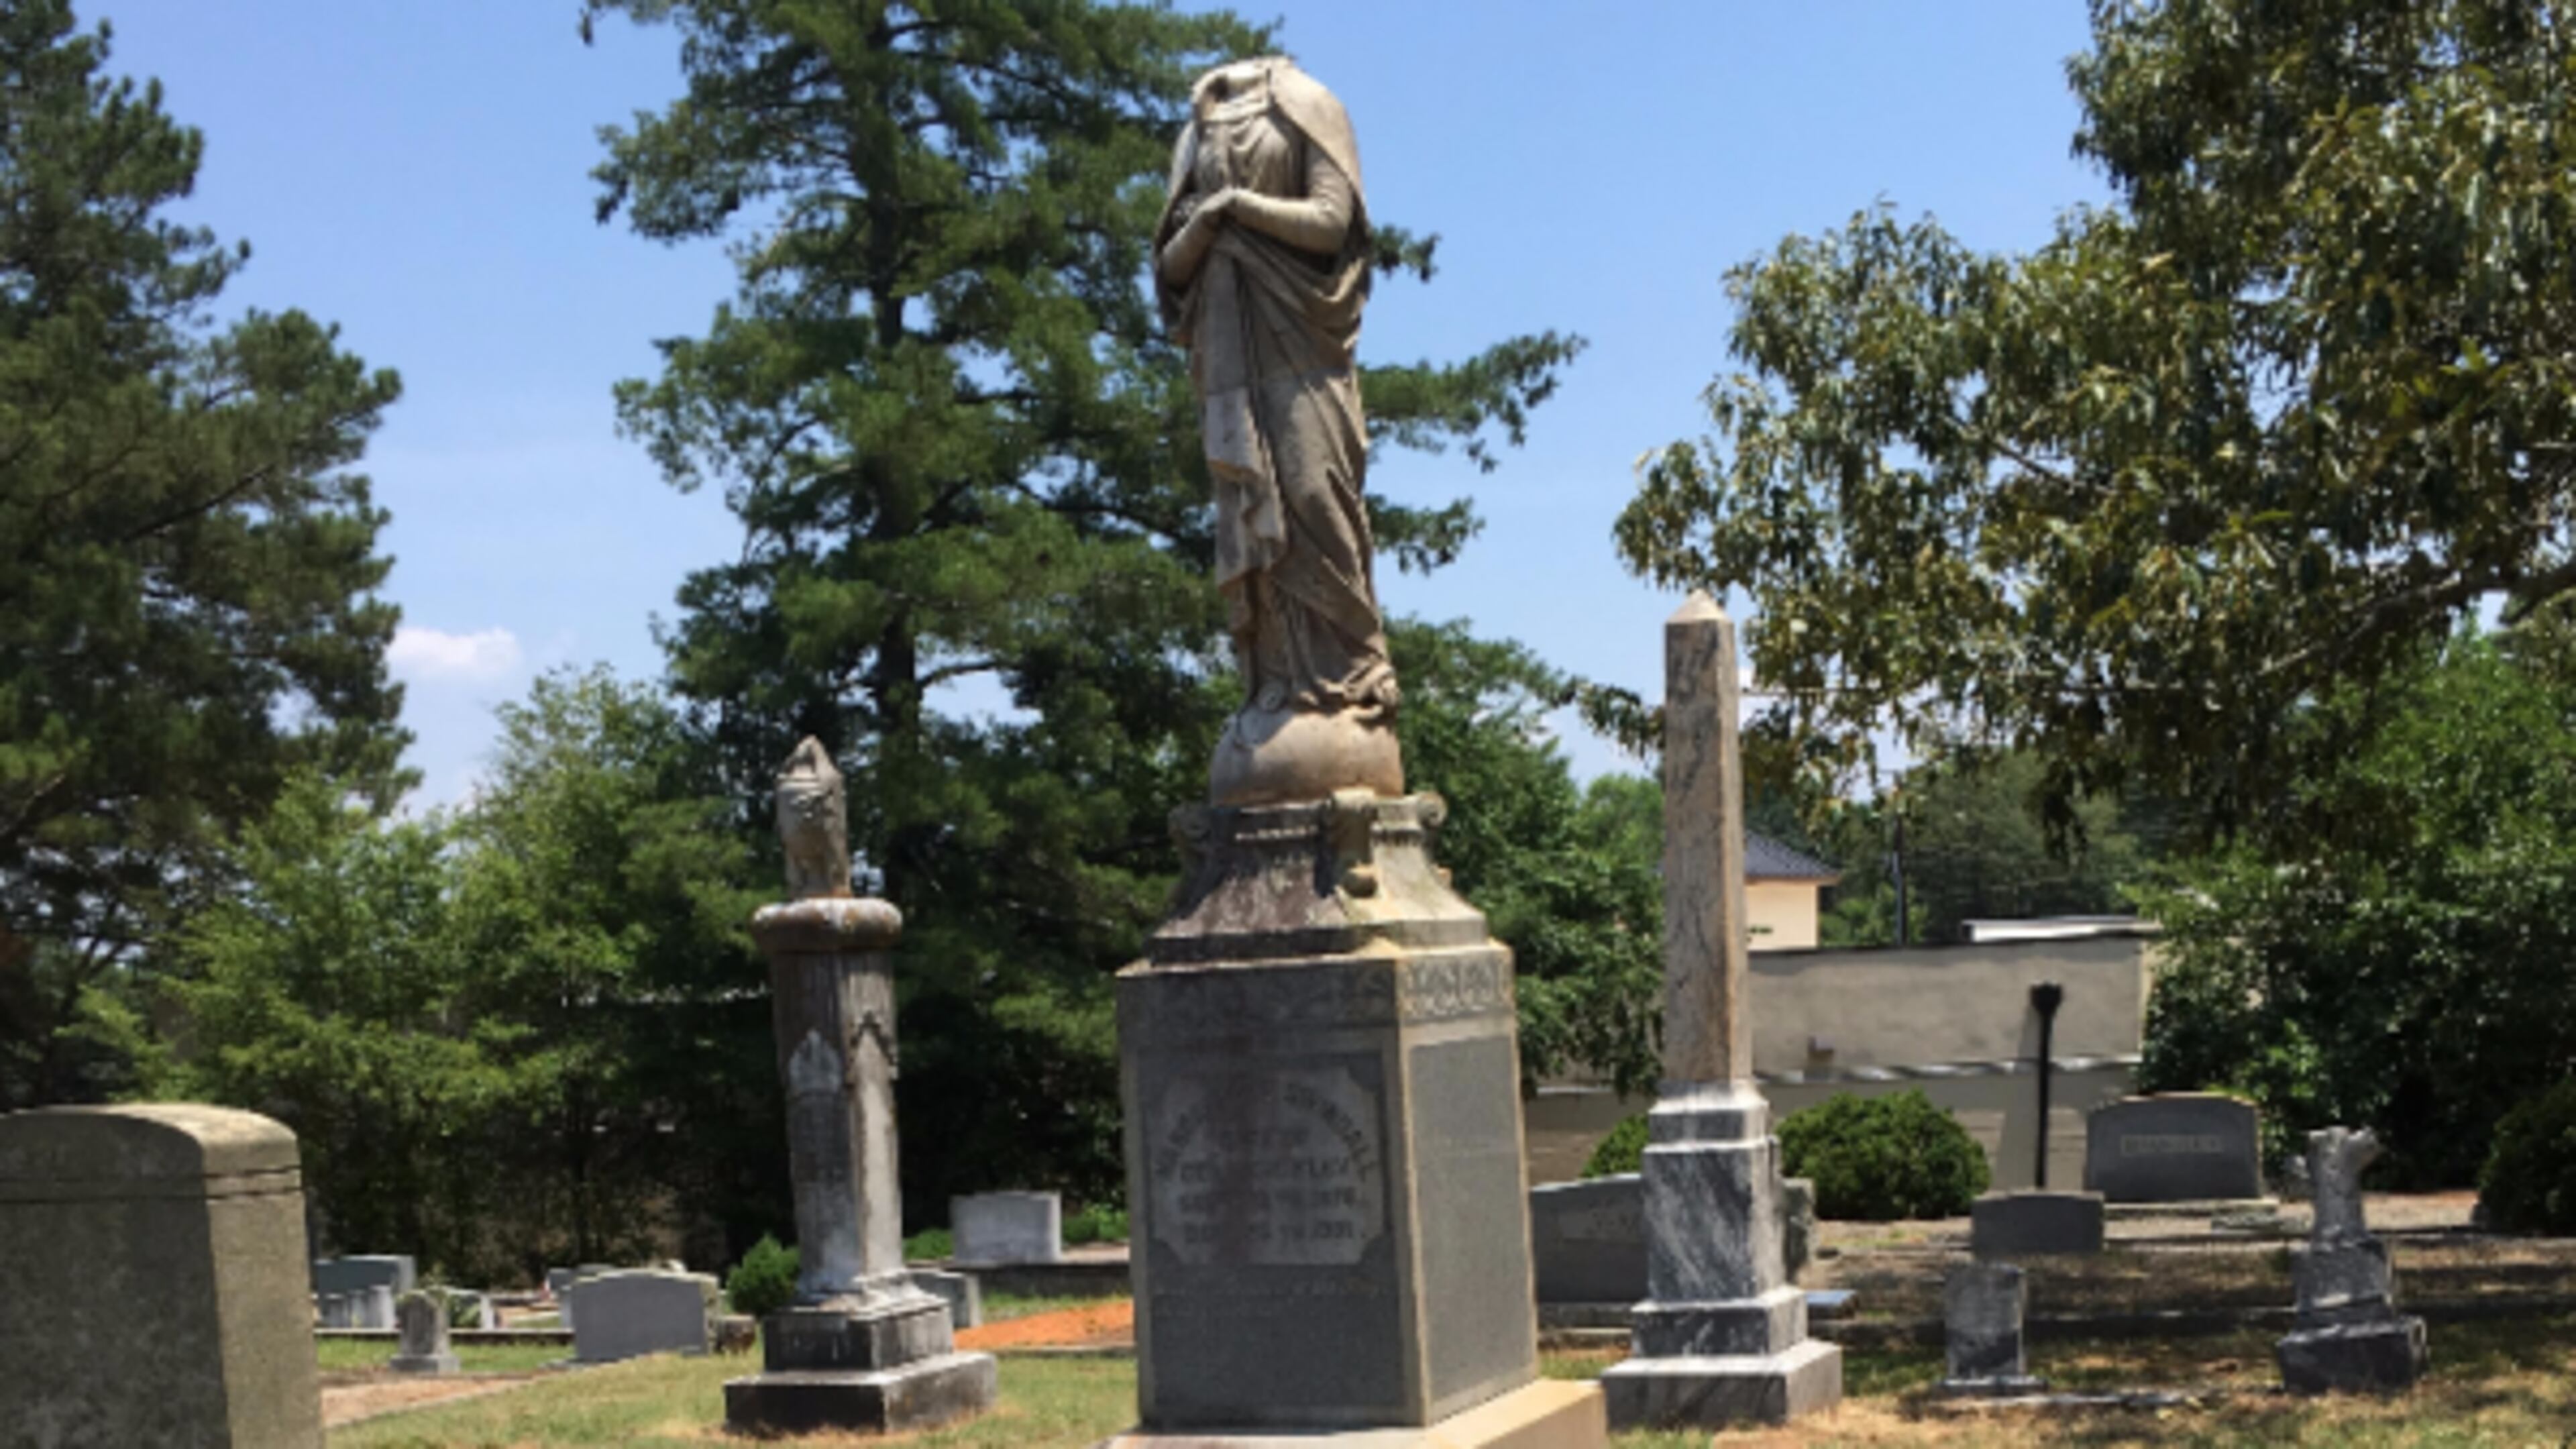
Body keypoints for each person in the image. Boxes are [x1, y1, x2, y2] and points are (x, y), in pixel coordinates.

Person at [1156, 57, 1403, 805]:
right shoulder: (1196, 126)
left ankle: (1348, 683)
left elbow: (1332, 224)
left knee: (1313, 496)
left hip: (1302, 346)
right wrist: (1207, 221)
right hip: (1230, 354)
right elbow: (1170, 267)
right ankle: (1273, 685)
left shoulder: (1307, 102)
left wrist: (1238, 205)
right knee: (1249, 519)